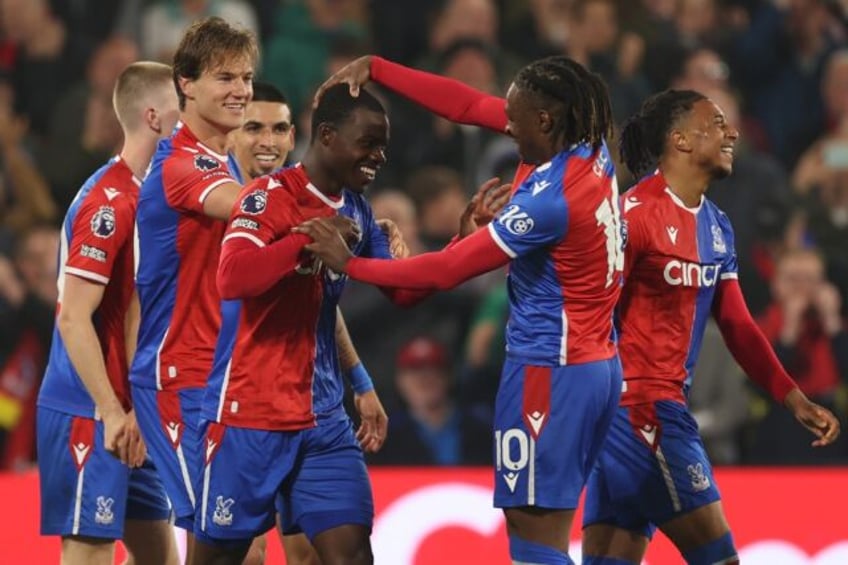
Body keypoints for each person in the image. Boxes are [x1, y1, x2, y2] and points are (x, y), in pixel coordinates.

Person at [305, 56, 624, 565]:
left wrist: (351, 265)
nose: (506, 129)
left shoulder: (548, 201)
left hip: (549, 374)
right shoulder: (588, 145)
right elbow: (470, 104)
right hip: (596, 365)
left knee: (534, 541)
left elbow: (444, 272)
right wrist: (379, 69)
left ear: (544, 119)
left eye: (514, 120)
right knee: (551, 532)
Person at [579, 89, 841, 565]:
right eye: (717, 123)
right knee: (719, 558)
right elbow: (582, 304)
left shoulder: (718, 226)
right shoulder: (631, 216)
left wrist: (791, 395)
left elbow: (738, 324)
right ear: (680, 140)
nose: (733, 133)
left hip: (648, 412)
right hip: (641, 412)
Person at [193, 84, 412, 564]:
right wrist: (302, 244)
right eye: (368, 143)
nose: (377, 157)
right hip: (250, 416)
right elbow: (233, 278)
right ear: (327, 135)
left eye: (382, 147)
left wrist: (465, 240)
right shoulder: (265, 198)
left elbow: (401, 289)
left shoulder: (356, 208)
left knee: (350, 555)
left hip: (324, 420)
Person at [35, 61, 180, 565]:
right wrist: (113, 411)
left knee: (159, 557)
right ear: (155, 118)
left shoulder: (149, 199)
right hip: (89, 410)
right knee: (89, 554)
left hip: (131, 413)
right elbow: (73, 317)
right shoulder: (108, 202)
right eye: (183, 113)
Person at [127, 17, 258, 563]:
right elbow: (255, 210)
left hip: (219, 377)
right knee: (221, 542)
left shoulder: (225, 158)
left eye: (247, 77)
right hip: (177, 377)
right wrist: (337, 199)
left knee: (238, 548)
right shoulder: (183, 164)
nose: (241, 91)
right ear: (186, 83)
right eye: (225, 77)